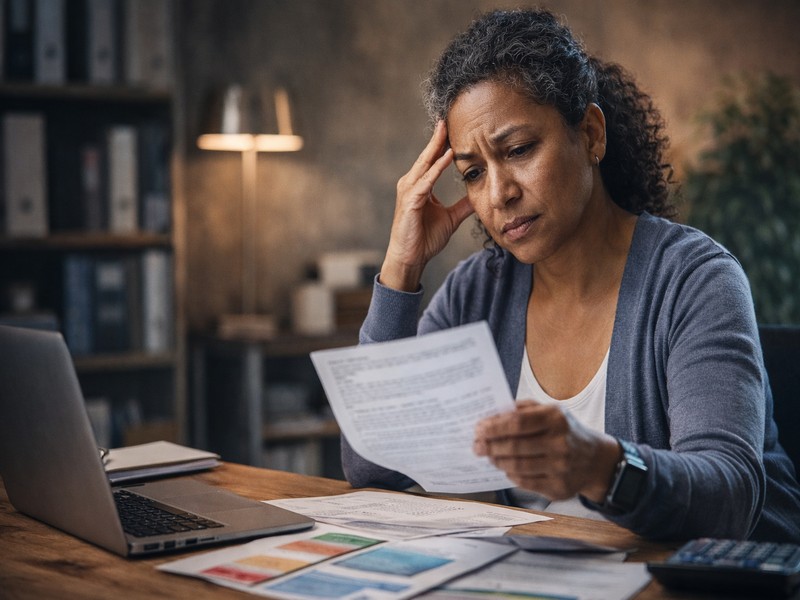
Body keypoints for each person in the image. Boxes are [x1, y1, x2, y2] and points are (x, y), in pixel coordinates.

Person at [341, 8, 800, 542]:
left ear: (590, 134)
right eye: (472, 172)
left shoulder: (695, 280)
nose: (498, 193)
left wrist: (601, 467)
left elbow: (731, 497)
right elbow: (372, 464)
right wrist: (401, 269)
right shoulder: (477, 291)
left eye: (518, 150)